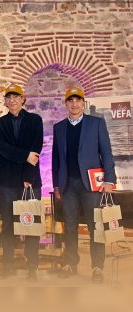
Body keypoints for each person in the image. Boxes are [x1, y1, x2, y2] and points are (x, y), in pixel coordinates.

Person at [52, 87, 115, 284]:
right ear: (66, 104)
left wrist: (109, 180)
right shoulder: (59, 127)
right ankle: (71, 264)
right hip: (68, 186)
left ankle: (97, 267)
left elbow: (106, 152)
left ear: (83, 103)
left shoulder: (96, 123)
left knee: (95, 227)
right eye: (70, 100)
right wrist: (56, 185)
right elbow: (55, 159)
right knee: (70, 227)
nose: (74, 104)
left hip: (91, 186)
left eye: (77, 100)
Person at [0, 84, 43, 281]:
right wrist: (24, 155)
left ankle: (32, 266)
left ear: (23, 99)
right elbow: (2, 148)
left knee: (31, 225)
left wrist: (28, 178)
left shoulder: (35, 120)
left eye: (16, 96)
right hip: (7, 183)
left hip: (31, 181)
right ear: (5, 102)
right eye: (9, 97)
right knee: (8, 225)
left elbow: (35, 149)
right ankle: (8, 265)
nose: (12, 100)